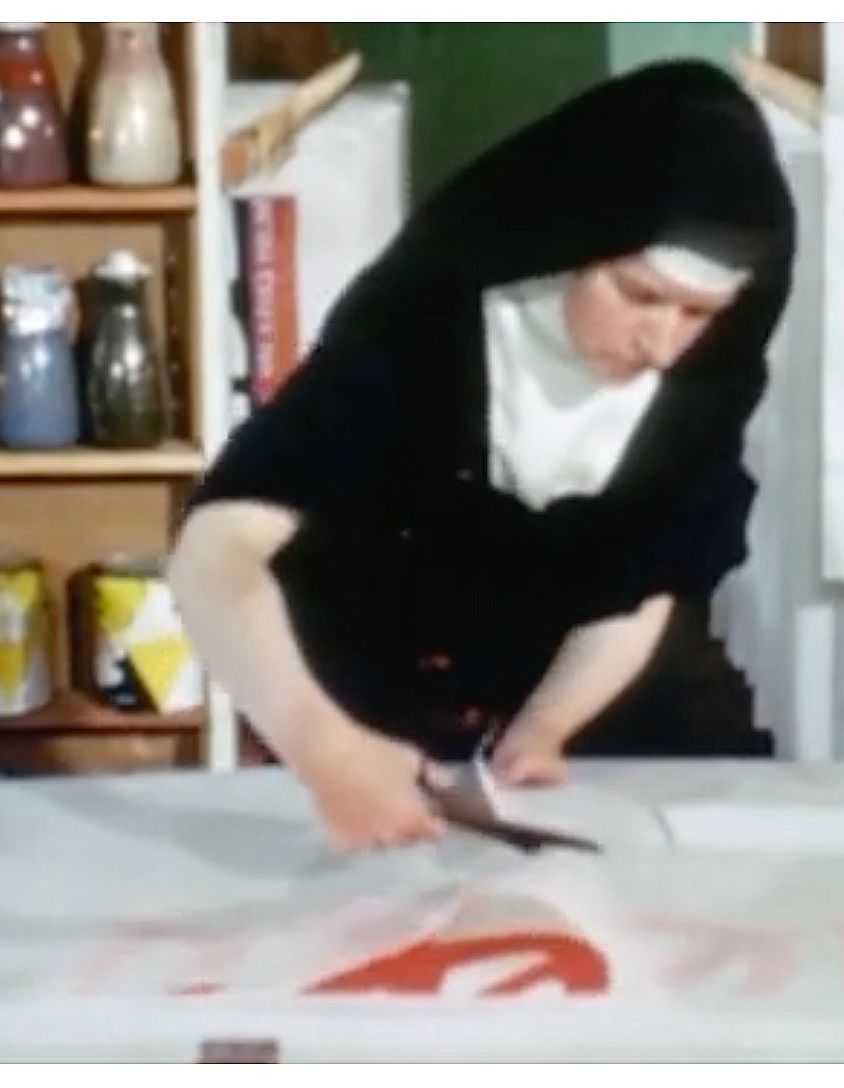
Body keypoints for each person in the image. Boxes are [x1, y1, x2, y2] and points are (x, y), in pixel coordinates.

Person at [169, 61, 795, 852]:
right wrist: (325, 750)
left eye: (698, 313)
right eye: (638, 294)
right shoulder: (418, 330)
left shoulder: (707, 375)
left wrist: (543, 730)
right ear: (573, 243)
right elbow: (212, 554)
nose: (663, 345)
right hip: (366, 717)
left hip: (591, 722)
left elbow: (643, 582)